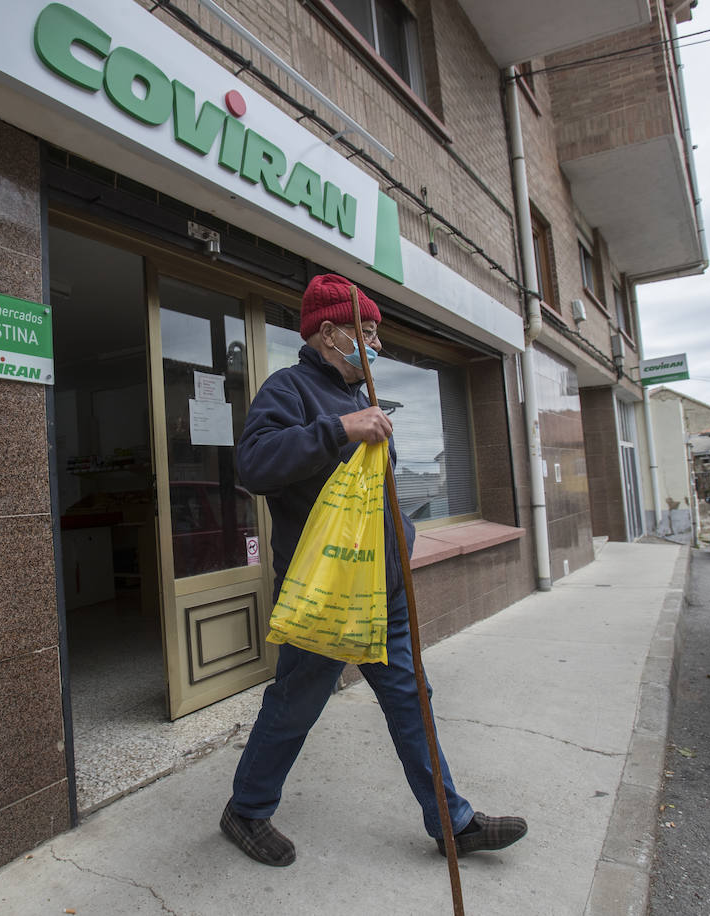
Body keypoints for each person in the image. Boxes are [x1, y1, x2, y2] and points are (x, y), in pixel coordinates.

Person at [219, 273, 527, 867]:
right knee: (296, 702)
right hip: (327, 594)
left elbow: (377, 492)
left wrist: (402, 538)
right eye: (369, 333)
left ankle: (452, 821)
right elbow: (254, 465)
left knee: (413, 697)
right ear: (329, 333)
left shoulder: (363, 397)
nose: (378, 346)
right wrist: (337, 430)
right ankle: (247, 809)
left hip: (382, 589)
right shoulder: (289, 391)